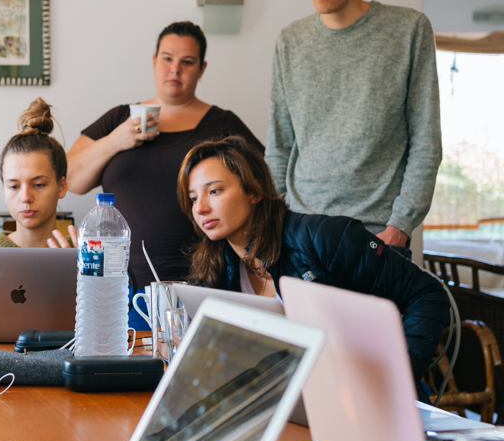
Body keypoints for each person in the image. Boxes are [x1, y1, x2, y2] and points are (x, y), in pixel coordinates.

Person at [177, 137, 450, 391]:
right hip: (288, 400)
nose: (200, 208)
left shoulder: (325, 238)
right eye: (192, 198)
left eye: (214, 191)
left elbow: (427, 293)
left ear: (254, 191)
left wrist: (397, 377)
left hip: (360, 396)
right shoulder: (213, 267)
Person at [266, 0, 442, 256]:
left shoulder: (408, 30)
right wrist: (277, 220)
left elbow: (426, 141)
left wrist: (400, 226)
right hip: (301, 232)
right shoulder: (290, 40)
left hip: (376, 236)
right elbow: (279, 145)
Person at [67, 21, 262, 328]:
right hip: (121, 293)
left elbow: (263, 187)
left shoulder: (223, 124)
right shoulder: (120, 118)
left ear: (201, 68)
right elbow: (71, 180)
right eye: (168, 59)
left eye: (187, 62)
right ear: (154, 61)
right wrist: (116, 141)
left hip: (204, 290)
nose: (175, 70)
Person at [0, 98, 76, 249]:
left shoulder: (87, 257)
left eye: (38, 184)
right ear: (4, 190)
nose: (26, 198)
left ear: (61, 187)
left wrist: (77, 272)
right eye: (14, 186)